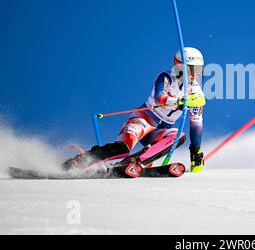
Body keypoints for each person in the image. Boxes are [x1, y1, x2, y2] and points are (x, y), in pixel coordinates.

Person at [62, 47, 206, 173]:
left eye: (198, 70)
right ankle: (79, 161)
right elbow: (159, 98)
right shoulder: (166, 77)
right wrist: (180, 102)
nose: (194, 74)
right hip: (144, 118)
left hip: (159, 130)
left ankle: (135, 162)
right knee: (123, 148)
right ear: (179, 66)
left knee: (178, 136)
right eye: (190, 69)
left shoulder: (197, 93)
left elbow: (196, 124)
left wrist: (196, 151)